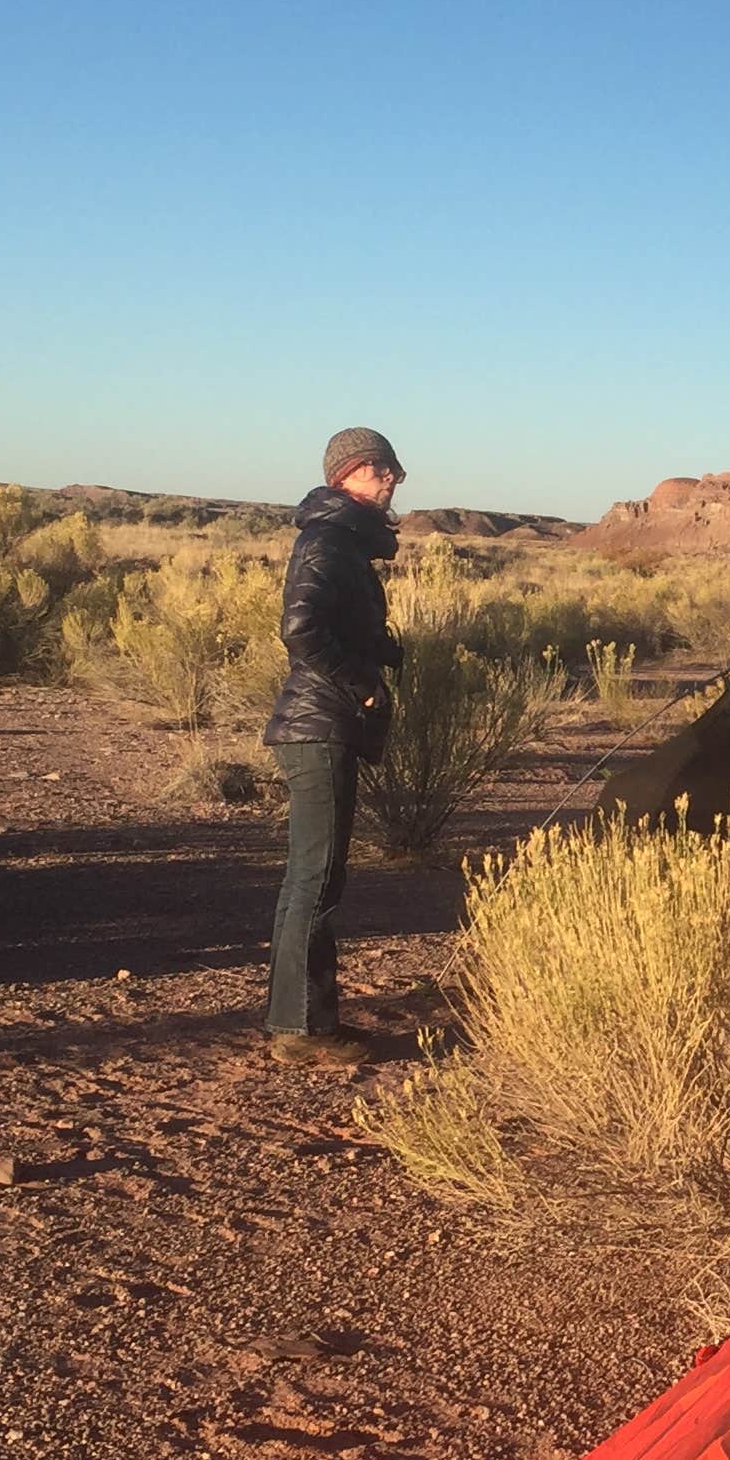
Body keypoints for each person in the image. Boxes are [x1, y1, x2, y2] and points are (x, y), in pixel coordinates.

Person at [261, 425, 404, 1064]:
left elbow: (329, 628)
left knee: (313, 878)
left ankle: (301, 1021)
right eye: (375, 468)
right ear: (341, 476)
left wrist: (380, 651)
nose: (389, 477)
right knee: (315, 881)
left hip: (322, 724)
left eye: (392, 467)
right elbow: (302, 631)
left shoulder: (344, 544)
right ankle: (299, 1031)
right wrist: (363, 687)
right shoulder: (325, 541)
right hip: (320, 727)